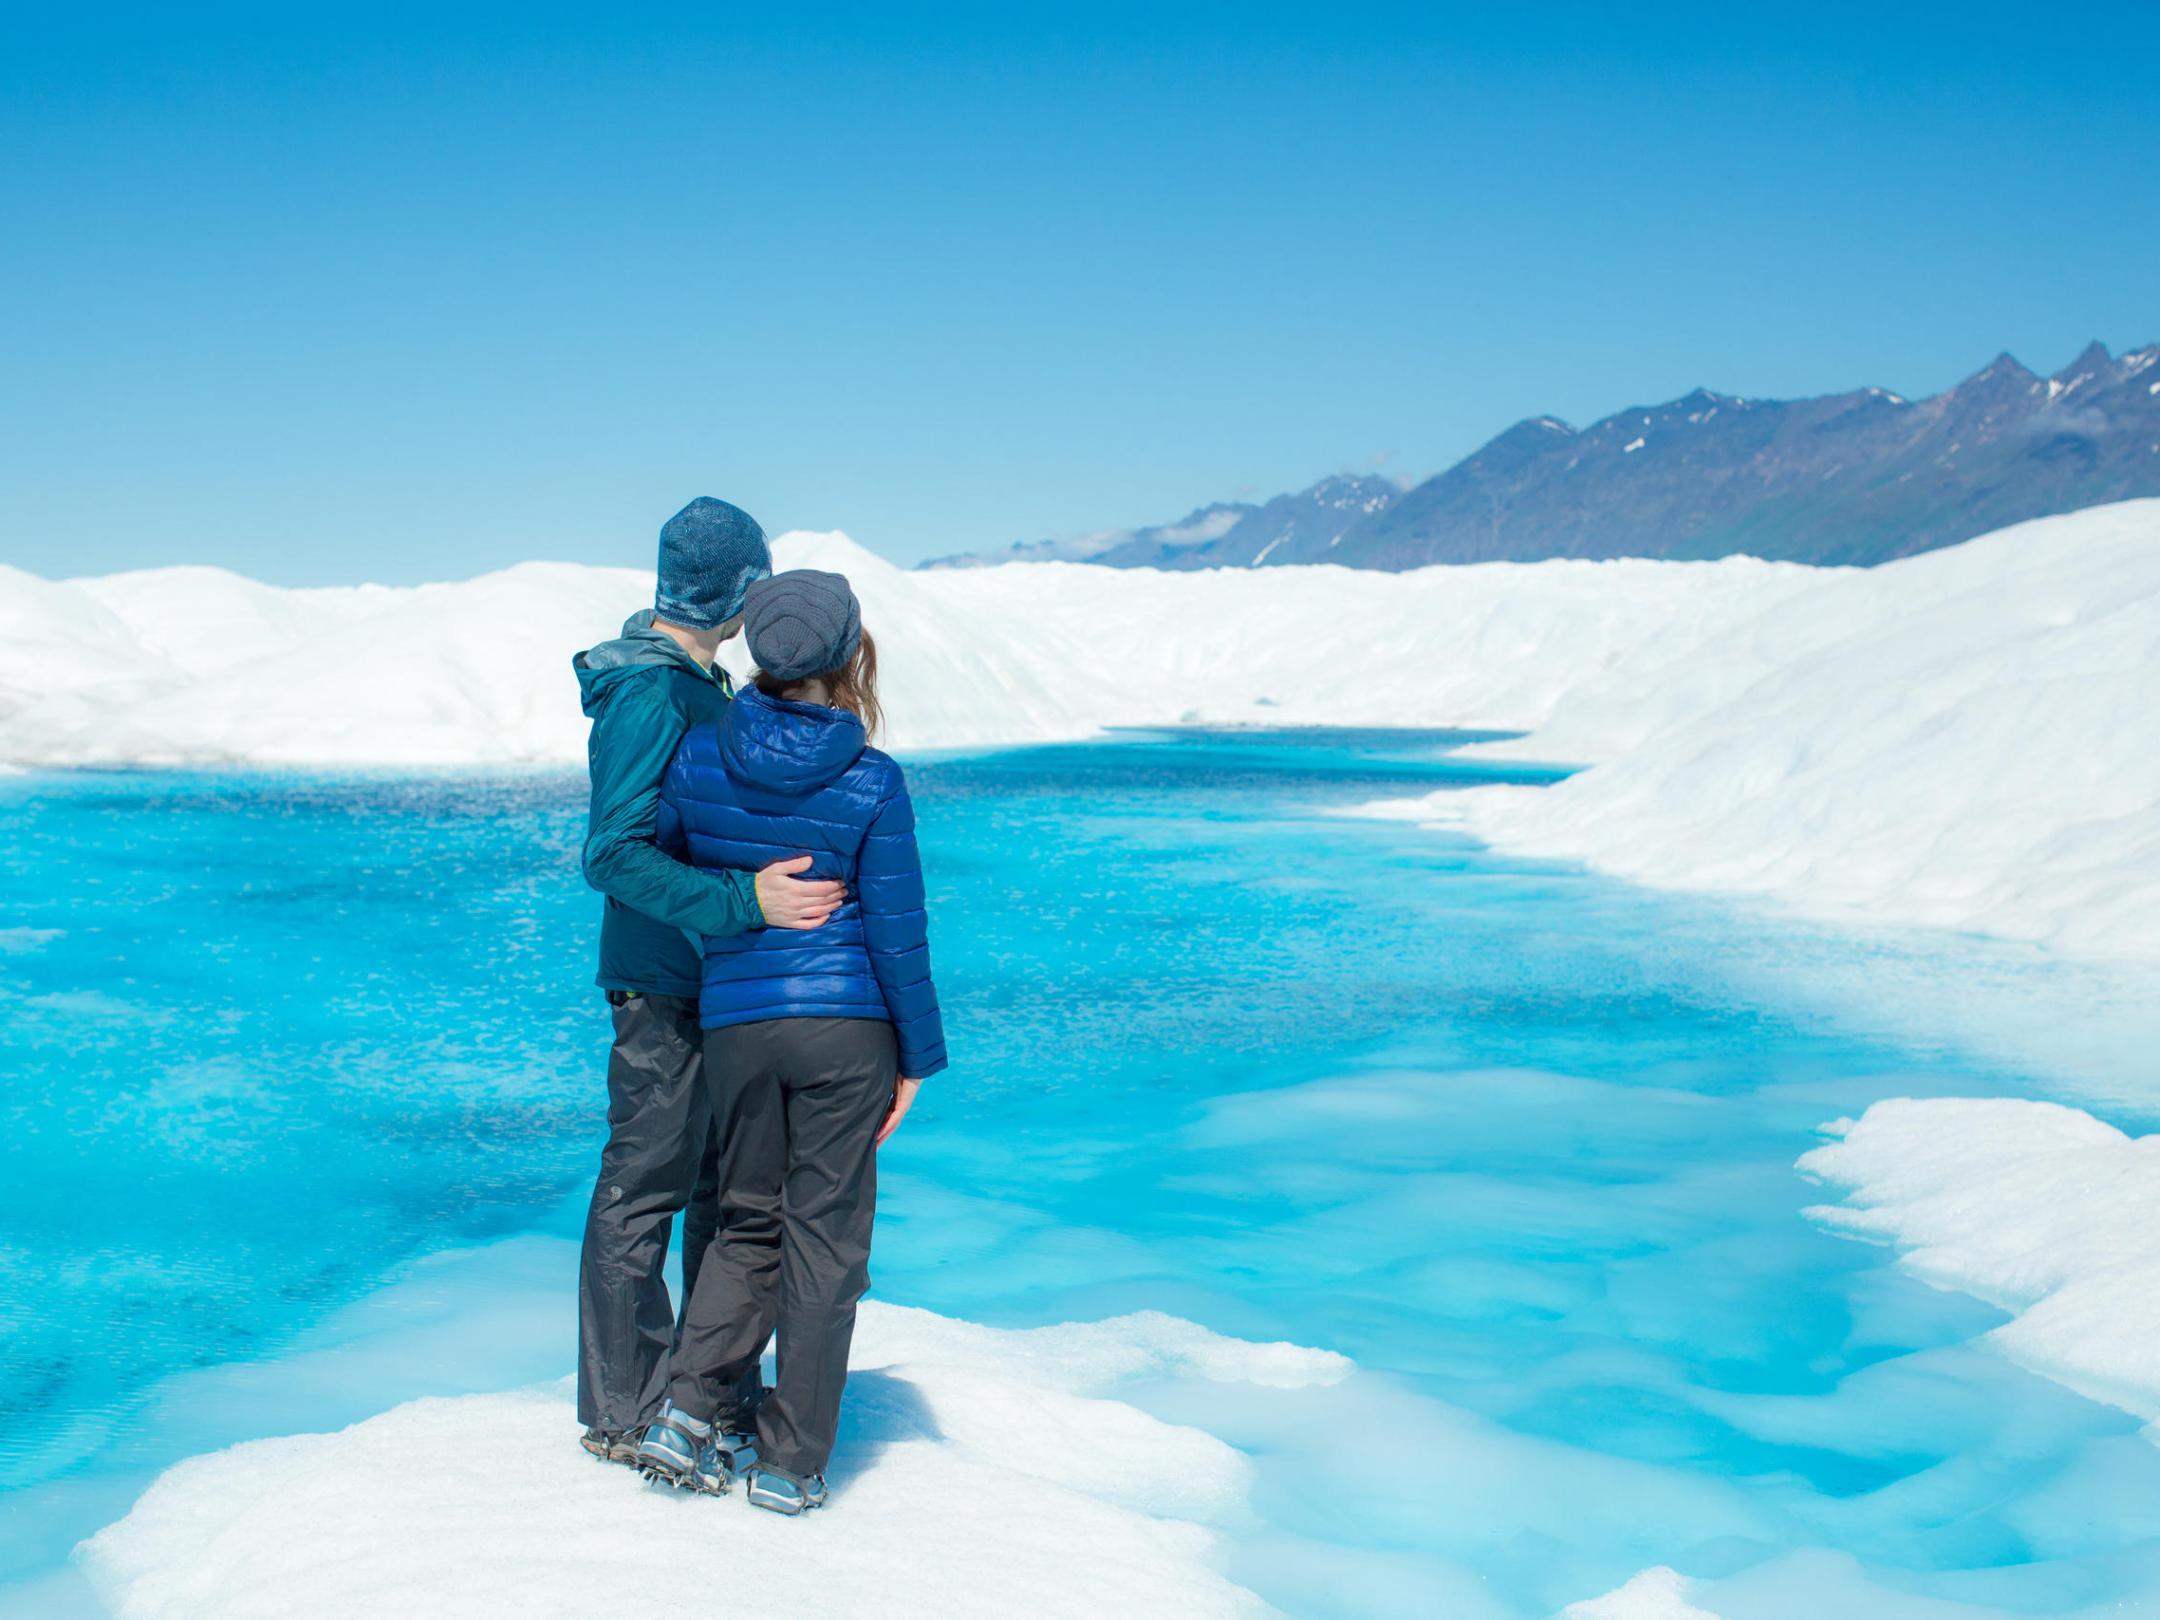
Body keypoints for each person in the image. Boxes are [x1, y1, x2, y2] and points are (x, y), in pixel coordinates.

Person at [633, 568, 945, 1514]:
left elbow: (664, 866)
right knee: (826, 1241)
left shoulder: (694, 759)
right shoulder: (872, 779)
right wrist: (917, 1059)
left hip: (736, 1029)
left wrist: (740, 903)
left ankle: (686, 1418)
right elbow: (897, 929)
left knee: (745, 1220)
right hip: (846, 1034)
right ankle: (790, 1462)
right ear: (849, 654)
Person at [571, 498, 847, 1464]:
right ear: (734, 588)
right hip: (661, 984)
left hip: (709, 982)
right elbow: (612, 855)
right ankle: (623, 1416)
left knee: (717, 1192)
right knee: (644, 1185)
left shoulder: (701, 683)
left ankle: (703, 1396)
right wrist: (744, 901)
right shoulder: (654, 695)